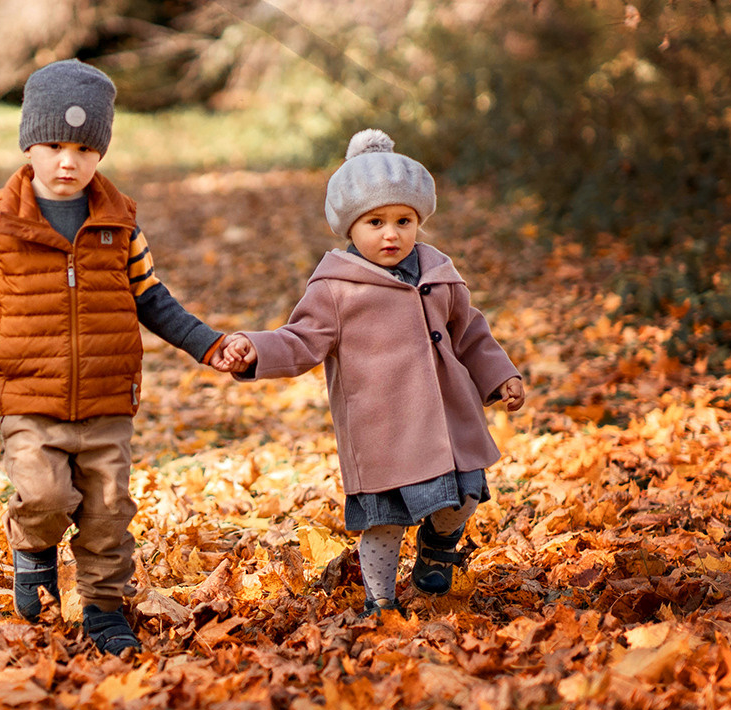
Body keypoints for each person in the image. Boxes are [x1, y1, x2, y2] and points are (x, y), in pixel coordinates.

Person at [0, 60, 230, 654]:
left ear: (100, 153)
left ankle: (105, 609)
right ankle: (32, 549)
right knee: (45, 497)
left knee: (109, 509)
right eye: (54, 144)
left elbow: (154, 301)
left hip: (108, 397)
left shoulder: (119, 222)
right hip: (26, 395)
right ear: (28, 145)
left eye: (84, 149)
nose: (68, 162)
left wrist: (207, 345)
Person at [210, 130, 526, 618]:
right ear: (349, 228)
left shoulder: (438, 272)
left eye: (404, 220)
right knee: (385, 522)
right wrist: (255, 349)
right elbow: (301, 340)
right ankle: (380, 599)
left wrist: (499, 376)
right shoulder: (337, 288)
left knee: (463, 497)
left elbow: (470, 333)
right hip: (382, 429)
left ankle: (439, 545)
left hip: (447, 418)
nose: (391, 234)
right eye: (375, 222)